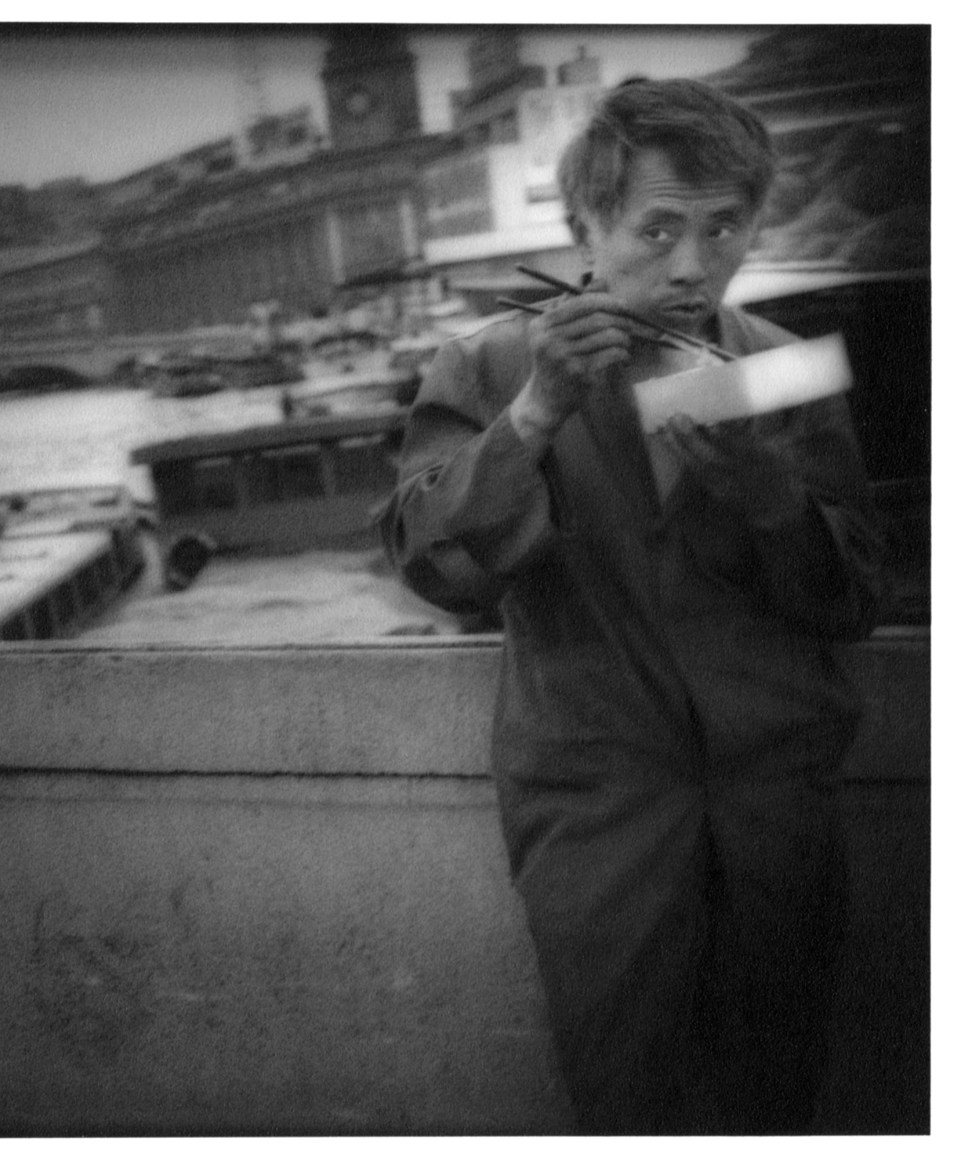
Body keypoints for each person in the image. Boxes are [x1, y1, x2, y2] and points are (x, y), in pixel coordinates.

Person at [379, 78, 884, 1134]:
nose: (693, 265)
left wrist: (768, 496)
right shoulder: (488, 362)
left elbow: (854, 600)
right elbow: (430, 566)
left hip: (773, 805)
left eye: (722, 227)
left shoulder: (784, 368)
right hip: (600, 814)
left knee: (778, 1100)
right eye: (657, 228)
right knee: (625, 1100)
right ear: (586, 229)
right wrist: (533, 416)